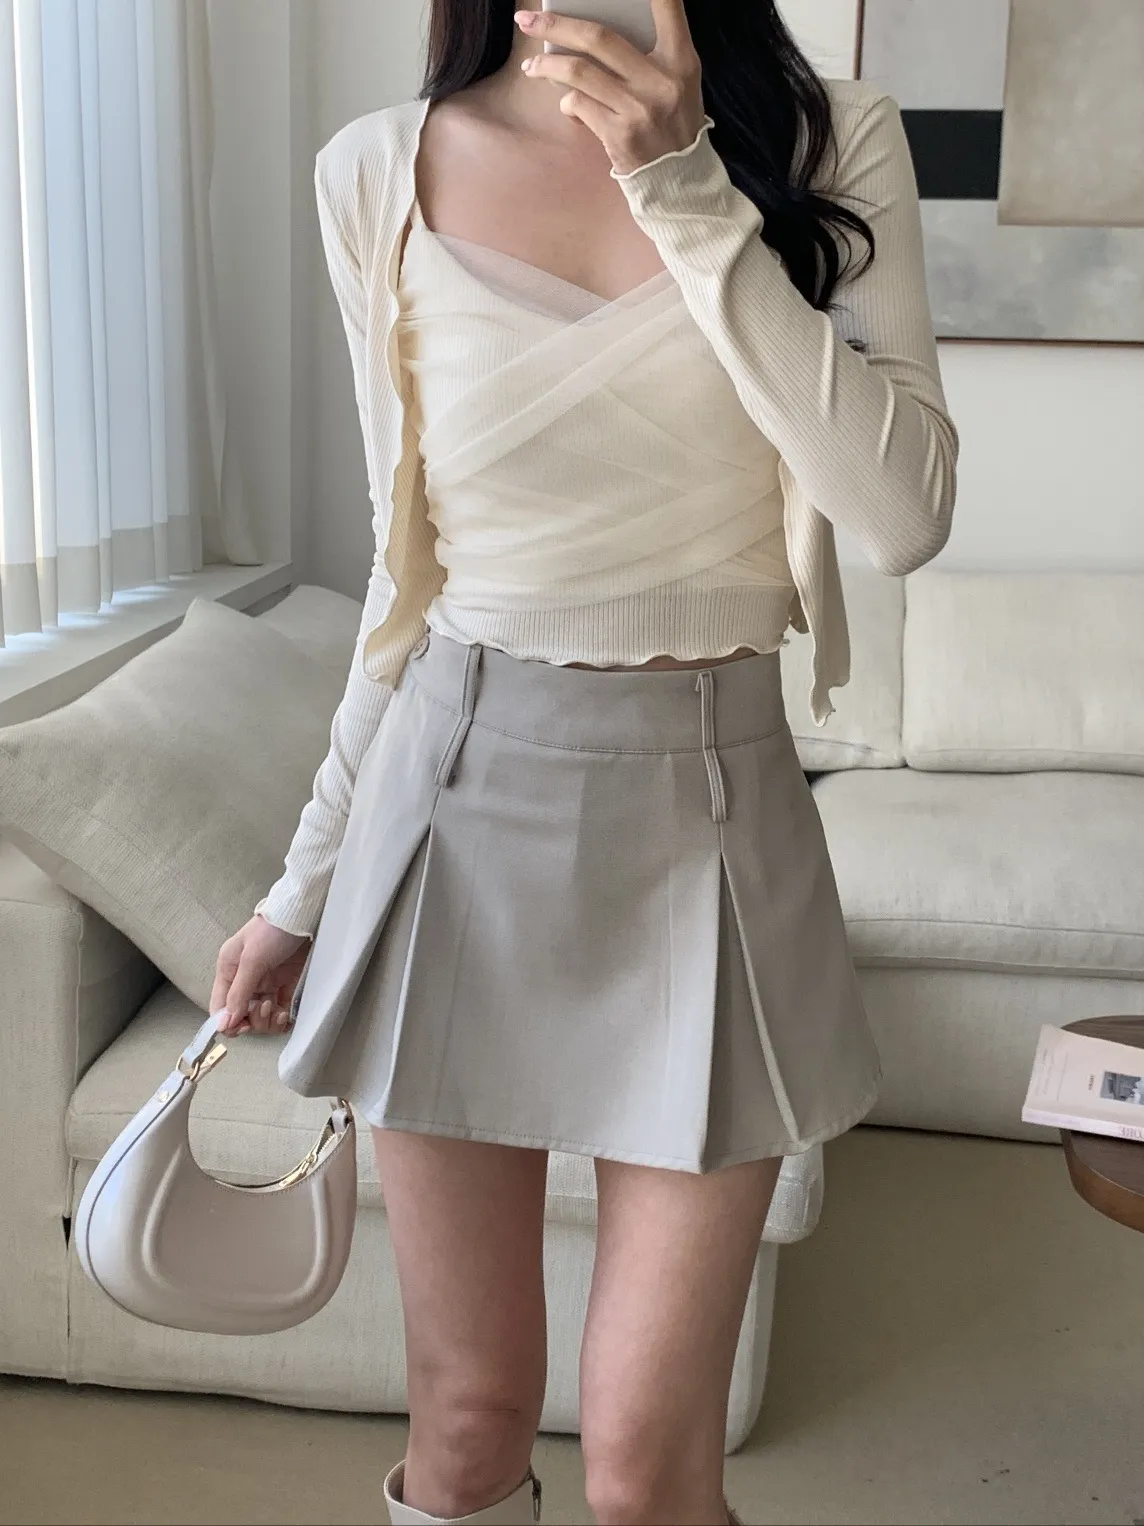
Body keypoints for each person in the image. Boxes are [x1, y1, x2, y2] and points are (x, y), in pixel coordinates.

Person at [211, 2, 958, 1522]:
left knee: (644, 1461)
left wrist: (688, 193)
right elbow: (404, 582)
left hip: (715, 815)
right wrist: (302, 887)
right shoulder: (380, 169)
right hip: (454, 802)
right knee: (470, 1418)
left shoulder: (831, 140)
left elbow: (902, 517)